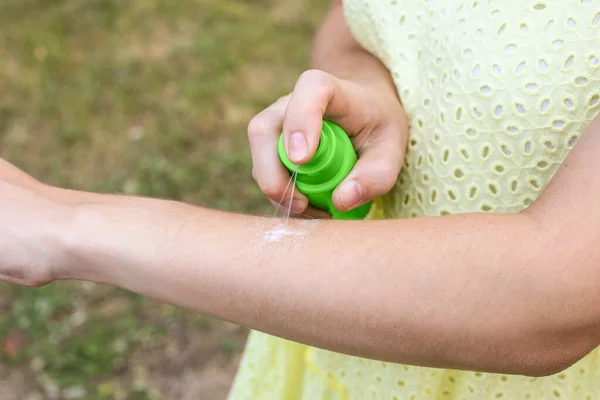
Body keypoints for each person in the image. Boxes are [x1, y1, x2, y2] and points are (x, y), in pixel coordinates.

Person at [0, 0, 598, 398]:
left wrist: (71, 226)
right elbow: (352, 22)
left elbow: (553, 295)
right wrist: (370, 90)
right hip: (338, 336)